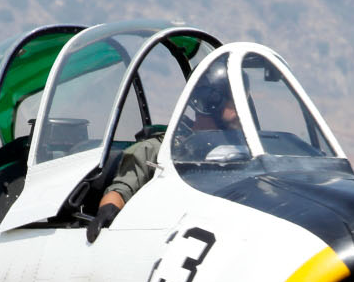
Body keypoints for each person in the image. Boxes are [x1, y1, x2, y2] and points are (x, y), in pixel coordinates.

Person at [87, 60, 243, 242]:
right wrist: (108, 210)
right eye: (235, 97)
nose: (242, 104)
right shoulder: (158, 149)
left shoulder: (243, 150)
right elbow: (121, 190)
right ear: (211, 101)